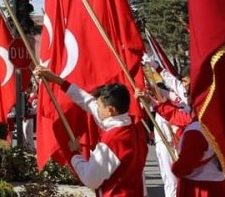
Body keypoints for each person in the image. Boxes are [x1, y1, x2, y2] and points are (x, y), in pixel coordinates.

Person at [35, 66, 148, 196]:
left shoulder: (113, 140)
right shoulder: (134, 129)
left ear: (110, 110)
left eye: (100, 106)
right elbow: (87, 102)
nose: (97, 108)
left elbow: (90, 179)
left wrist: (74, 154)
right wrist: (58, 81)